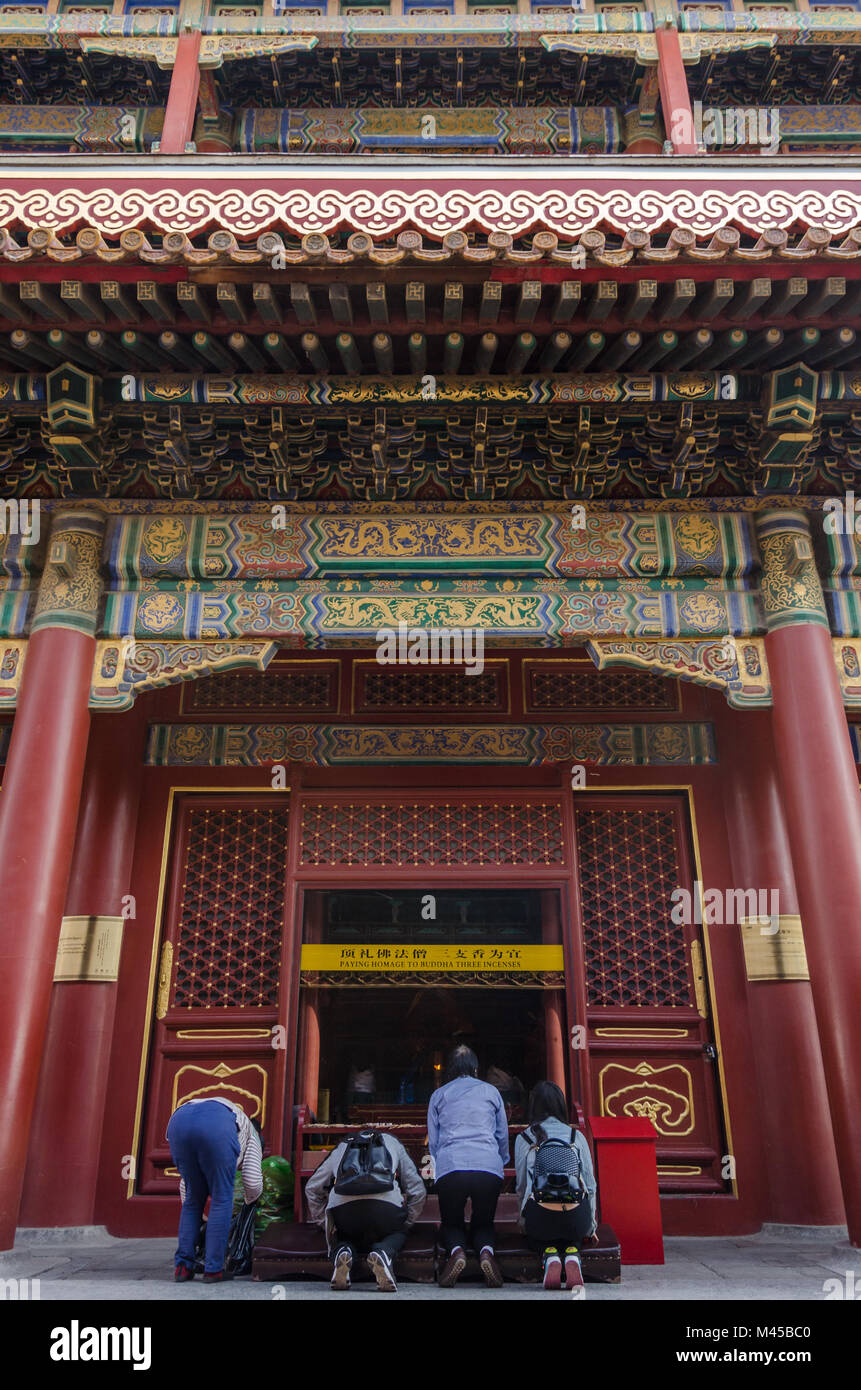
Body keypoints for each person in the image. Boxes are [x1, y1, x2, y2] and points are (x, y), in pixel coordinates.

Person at [427, 1045, 509, 1289]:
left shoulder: (439, 1095)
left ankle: (457, 1252)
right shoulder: (491, 1092)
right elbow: (501, 1134)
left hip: (452, 1165)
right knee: (484, 1222)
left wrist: (440, 1165)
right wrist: (500, 1161)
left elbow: (434, 1140)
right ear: (475, 1068)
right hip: (488, 1165)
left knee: (452, 1222)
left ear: (450, 1070)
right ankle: (486, 1252)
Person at [305, 1128, 426, 1292]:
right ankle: (383, 1253)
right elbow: (417, 1189)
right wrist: (407, 1221)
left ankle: (342, 1251)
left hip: (345, 1213)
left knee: (343, 1236)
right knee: (397, 1233)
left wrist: (325, 1223)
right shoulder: (393, 1142)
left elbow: (312, 1187)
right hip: (386, 1210)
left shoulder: (343, 1145)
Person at [166, 1095, 263, 1283]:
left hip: (177, 1122)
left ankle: (182, 1267)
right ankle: (213, 1270)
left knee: (193, 1201)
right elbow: (253, 1182)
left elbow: (186, 1189)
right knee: (221, 1199)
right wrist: (249, 1202)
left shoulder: (230, 1112)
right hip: (217, 1127)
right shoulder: (253, 1135)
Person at [514, 1081, 597, 1291]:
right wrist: (591, 1225)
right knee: (572, 1231)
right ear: (561, 1106)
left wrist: (523, 1220)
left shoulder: (524, 1137)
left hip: (540, 1216)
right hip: (575, 1215)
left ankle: (549, 1255)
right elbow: (590, 1185)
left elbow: (522, 1187)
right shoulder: (575, 1136)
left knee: (540, 1232)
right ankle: (572, 1254)